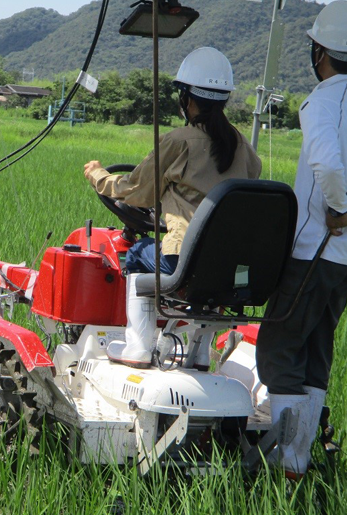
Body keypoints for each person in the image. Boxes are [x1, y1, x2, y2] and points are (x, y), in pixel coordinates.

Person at [84, 47, 261, 368]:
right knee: (208, 278)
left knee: (138, 254)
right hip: (229, 269)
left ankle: (138, 345)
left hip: (185, 262)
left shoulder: (178, 141)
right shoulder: (243, 147)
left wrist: (98, 175)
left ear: (187, 99)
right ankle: (198, 354)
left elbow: (135, 192)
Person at [255, 0, 347, 480]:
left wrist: (342, 208)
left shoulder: (324, 100)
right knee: (315, 351)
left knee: (277, 349)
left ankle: (288, 466)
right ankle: (302, 458)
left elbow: (329, 164)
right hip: (343, 263)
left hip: (314, 250)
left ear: (321, 52)